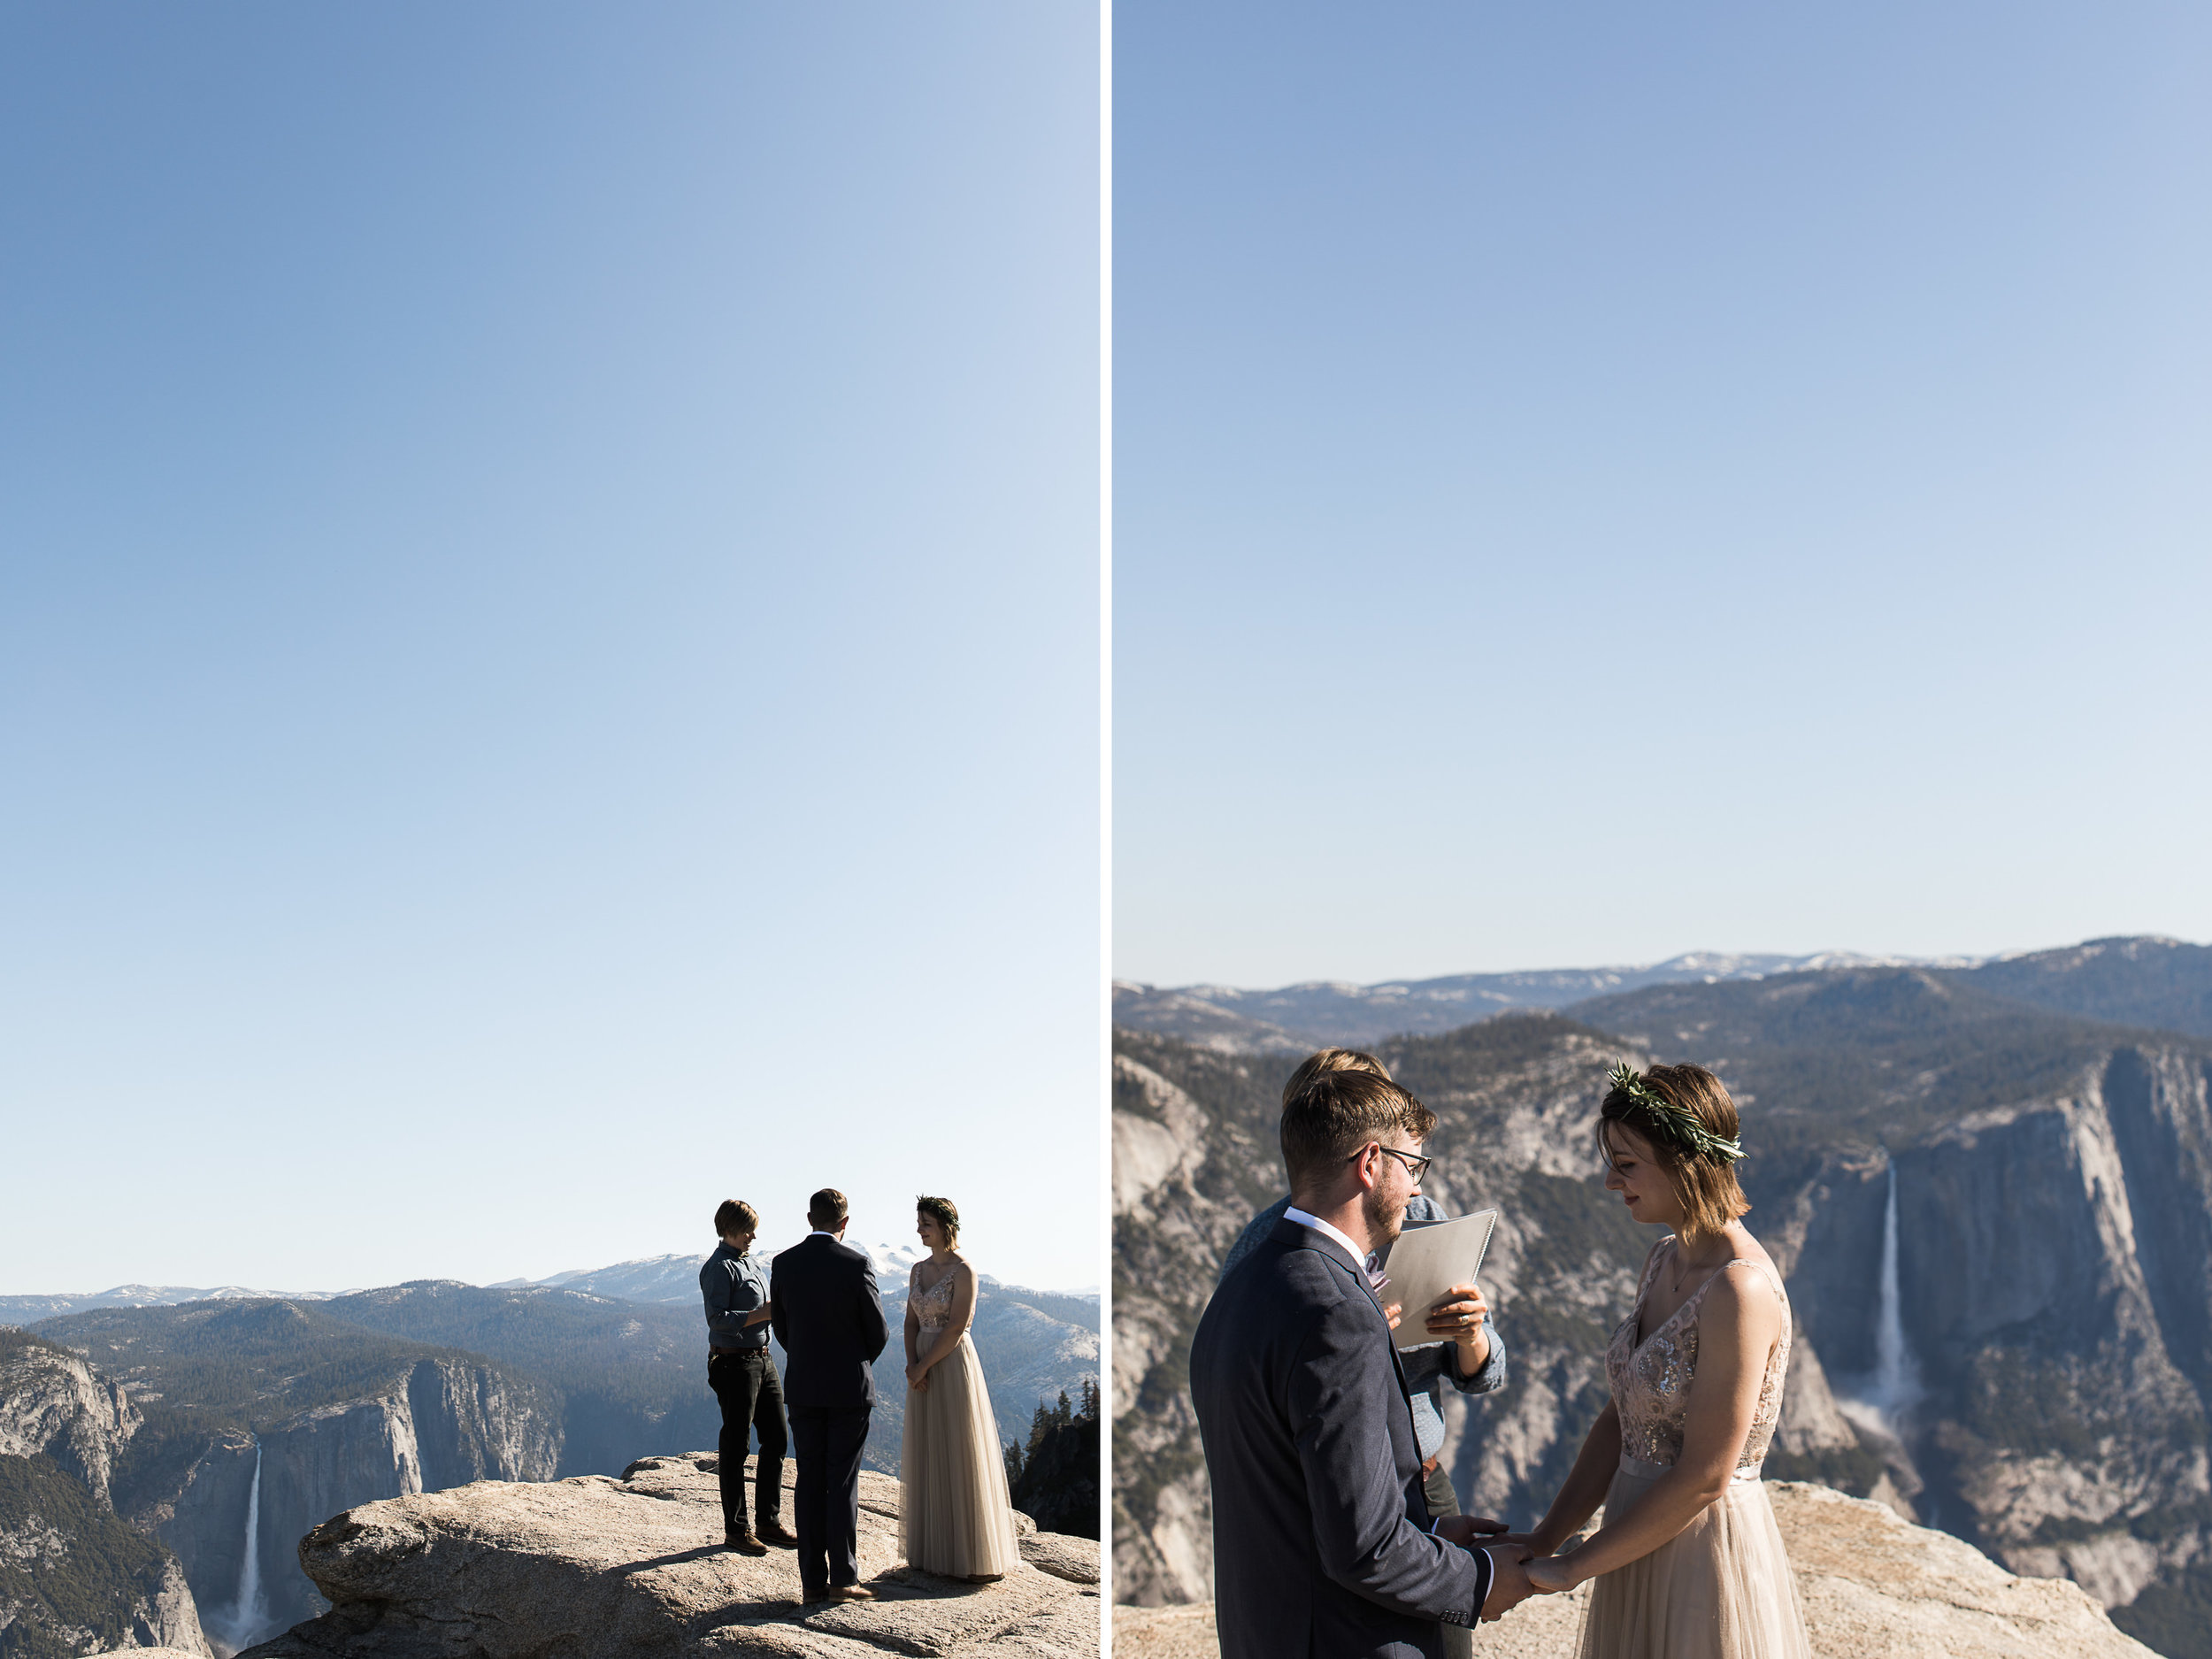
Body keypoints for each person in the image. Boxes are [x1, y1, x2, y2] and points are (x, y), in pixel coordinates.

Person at [1191, 1060, 1535, 1659]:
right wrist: (1481, 1580)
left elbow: (1299, 1492)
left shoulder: (1243, 1285)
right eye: (1413, 1166)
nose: (1419, 1187)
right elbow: (1364, 1549)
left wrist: (1427, 1530)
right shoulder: (1339, 1314)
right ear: (1370, 1162)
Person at [1516, 1064, 1812, 1659]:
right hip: (1635, 1534)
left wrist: (1575, 1566)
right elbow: (1620, 1419)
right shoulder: (1660, 1259)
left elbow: (1706, 1474)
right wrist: (1547, 1536)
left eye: (1626, 1164)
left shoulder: (1739, 1289)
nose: (1608, 1180)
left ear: (1685, 1161)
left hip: (1701, 1551)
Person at [770, 1187, 890, 1605]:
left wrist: (806, 1358)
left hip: (803, 1387)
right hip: (847, 1390)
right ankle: (843, 1579)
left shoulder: (783, 1264)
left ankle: (811, 1584)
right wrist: (854, 1361)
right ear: (845, 1222)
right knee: (841, 1482)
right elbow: (878, 1332)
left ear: (809, 1219)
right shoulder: (856, 1264)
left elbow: (781, 1329)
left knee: (808, 1481)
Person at [898, 1194, 1021, 1580]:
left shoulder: (964, 1270)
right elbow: (910, 1322)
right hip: (921, 1363)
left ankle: (970, 1555)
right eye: (919, 1223)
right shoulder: (917, 1270)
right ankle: (931, 1552)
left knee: (957, 1447)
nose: (919, 1230)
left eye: (926, 1224)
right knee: (929, 1450)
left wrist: (924, 1366)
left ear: (945, 1227)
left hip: (950, 1362)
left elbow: (956, 1327)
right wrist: (911, 1365)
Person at [699, 1199, 795, 1555]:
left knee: (777, 1438)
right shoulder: (719, 1268)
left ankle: (768, 1521)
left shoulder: (751, 1263)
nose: (753, 1235)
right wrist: (761, 1314)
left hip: (762, 1358)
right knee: (736, 1446)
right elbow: (717, 1319)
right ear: (728, 1228)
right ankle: (736, 1529)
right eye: (747, 1229)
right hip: (734, 1363)